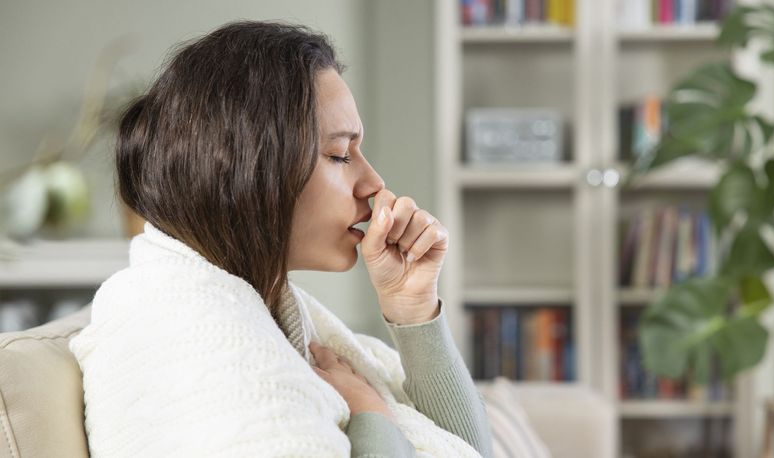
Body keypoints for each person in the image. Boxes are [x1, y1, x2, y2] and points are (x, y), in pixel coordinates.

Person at [69, 20, 492, 457]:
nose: (374, 183)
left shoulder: (262, 306)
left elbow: (469, 449)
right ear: (246, 168)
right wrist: (371, 413)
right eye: (339, 155)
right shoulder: (191, 328)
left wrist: (413, 309)